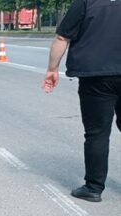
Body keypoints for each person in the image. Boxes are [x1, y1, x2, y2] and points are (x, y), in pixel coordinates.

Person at [43, 0, 120, 203]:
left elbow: (62, 37)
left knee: (97, 133)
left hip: (96, 76)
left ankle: (94, 188)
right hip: (98, 74)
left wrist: (52, 70)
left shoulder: (87, 2)